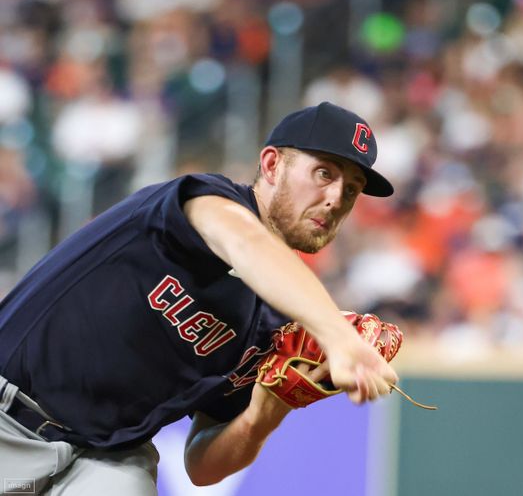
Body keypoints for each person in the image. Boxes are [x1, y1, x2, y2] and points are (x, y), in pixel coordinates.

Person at [0, 101, 398, 494]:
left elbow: (202, 466)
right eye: (323, 173)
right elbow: (245, 241)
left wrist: (264, 412)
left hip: (107, 456)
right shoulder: (203, 201)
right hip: (10, 420)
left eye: (352, 189)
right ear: (273, 164)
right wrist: (338, 336)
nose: (335, 198)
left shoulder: (277, 320)